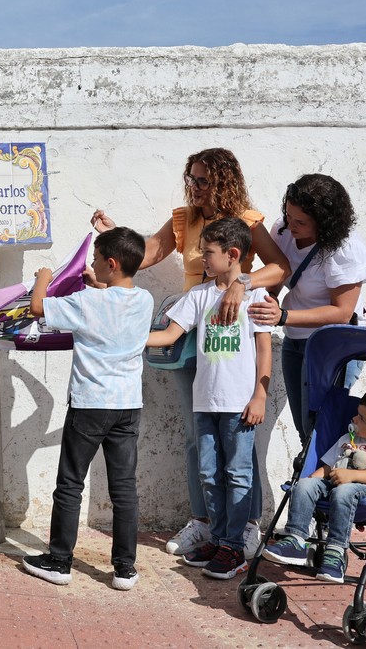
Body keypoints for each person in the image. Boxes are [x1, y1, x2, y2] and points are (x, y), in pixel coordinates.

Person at [92, 148, 290, 560]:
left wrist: (243, 283)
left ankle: (246, 526)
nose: (195, 187)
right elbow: (149, 253)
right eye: (192, 179)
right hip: (189, 333)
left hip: (233, 333)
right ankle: (204, 524)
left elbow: (280, 267)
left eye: (203, 180)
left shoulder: (247, 223)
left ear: (224, 181)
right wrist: (116, 235)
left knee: (239, 439)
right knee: (196, 436)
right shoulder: (184, 218)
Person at [21, 227, 154, 590]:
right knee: (124, 489)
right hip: (127, 405)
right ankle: (125, 568)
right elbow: (113, 305)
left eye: (96, 260)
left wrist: (44, 278)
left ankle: (60, 560)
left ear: (111, 264)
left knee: (70, 483)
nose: (92, 265)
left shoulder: (85, 302)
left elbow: (37, 307)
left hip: (90, 404)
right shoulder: (144, 300)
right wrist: (98, 283)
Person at [145, 218, 272, 579]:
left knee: (238, 473)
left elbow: (265, 350)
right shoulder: (199, 296)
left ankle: (234, 545)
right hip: (205, 402)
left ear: (233, 255)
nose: (202, 258)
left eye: (209, 253)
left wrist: (259, 394)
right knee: (209, 474)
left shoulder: (257, 297)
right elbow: (170, 335)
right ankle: (218, 538)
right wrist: (128, 338)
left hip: (240, 406)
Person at [248, 174, 366, 445]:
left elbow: (342, 312)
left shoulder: (345, 249)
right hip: (295, 341)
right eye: (288, 215)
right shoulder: (282, 230)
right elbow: (277, 276)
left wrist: (283, 316)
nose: (291, 225)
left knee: (324, 429)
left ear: (324, 223)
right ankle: (313, 483)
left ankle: (332, 483)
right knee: (306, 430)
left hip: (333, 347)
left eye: (301, 222)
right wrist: (266, 300)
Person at [262, 388, 366, 583]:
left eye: (362, 418)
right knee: (305, 484)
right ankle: (296, 540)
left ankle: (336, 552)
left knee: (344, 490)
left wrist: (353, 475)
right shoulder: (346, 440)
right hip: (333, 484)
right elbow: (327, 467)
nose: (354, 419)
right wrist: (309, 482)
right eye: (357, 414)